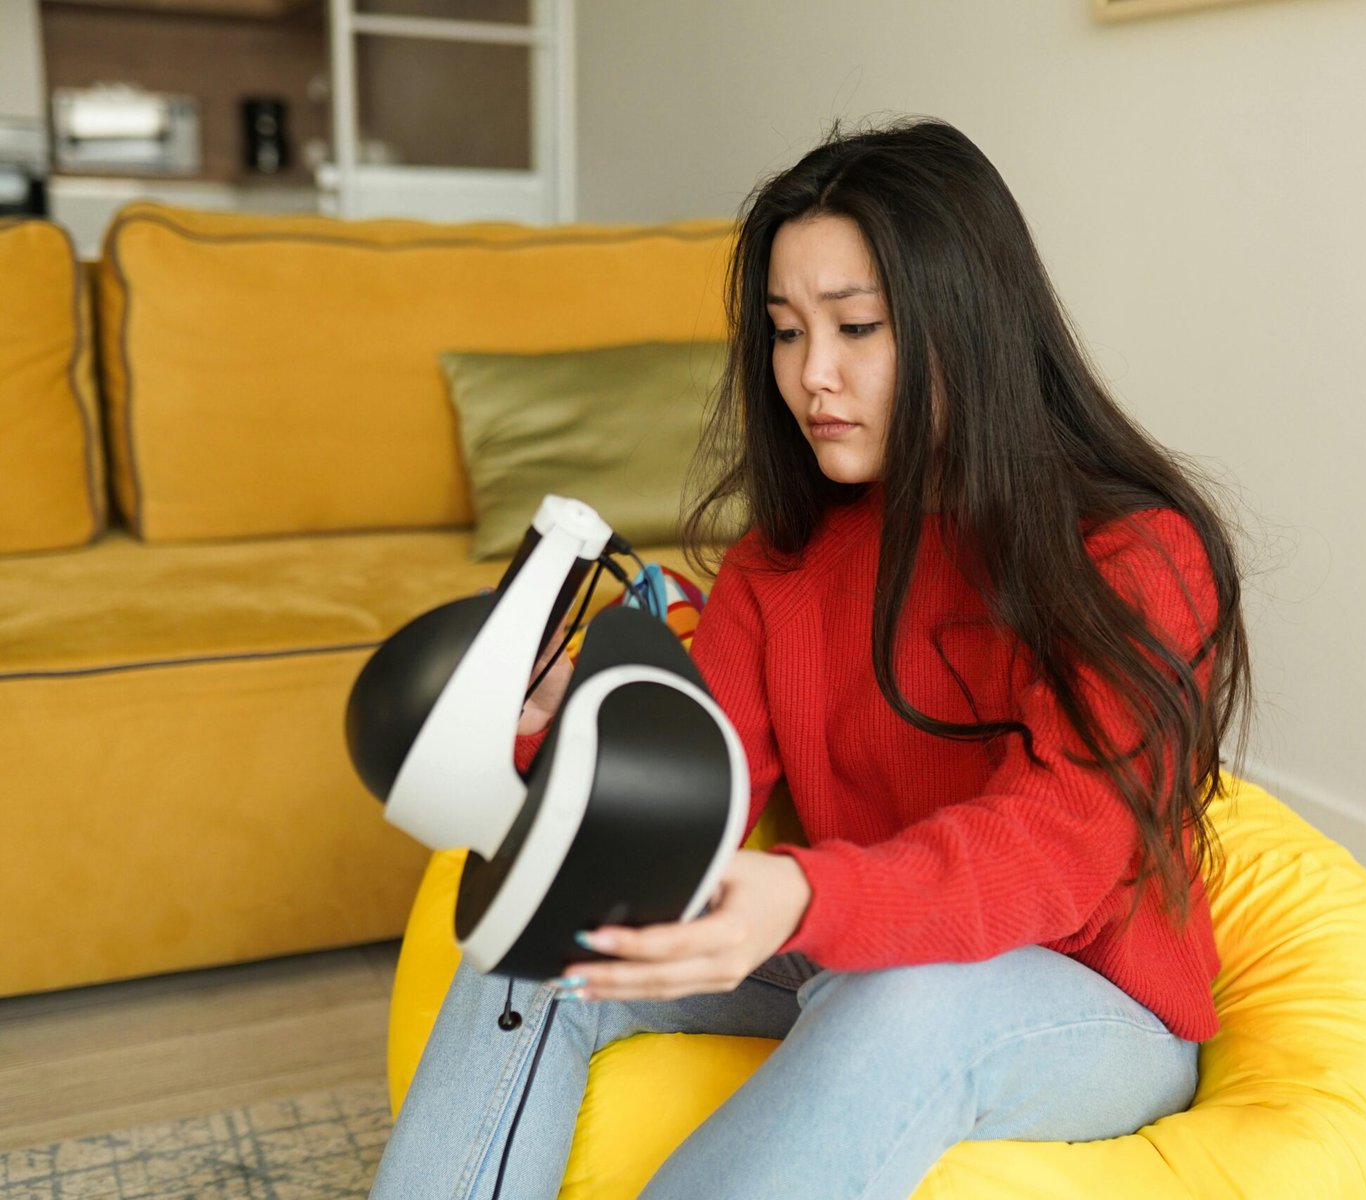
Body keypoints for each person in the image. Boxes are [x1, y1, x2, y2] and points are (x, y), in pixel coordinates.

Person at [369, 116, 1250, 1200]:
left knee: (907, 993)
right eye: (786, 332)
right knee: (539, 947)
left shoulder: (1134, 553)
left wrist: (802, 897)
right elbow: (691, 797)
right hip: (852, 939)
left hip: (1082, 998)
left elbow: (1057, 853)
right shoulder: (776, 565)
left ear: (967, 323)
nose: (811, 376)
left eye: (856, 326)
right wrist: (553, 728)